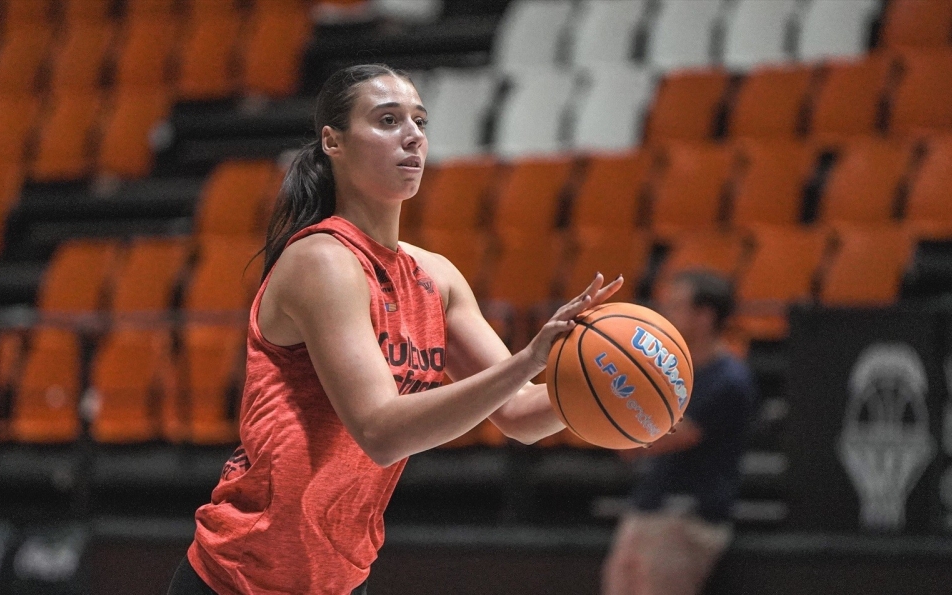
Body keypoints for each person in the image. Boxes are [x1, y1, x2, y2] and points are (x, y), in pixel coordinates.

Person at [167, 64, 623, 595]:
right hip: (240, 576)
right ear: (333, 142)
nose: (413, 136)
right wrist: (528, 359)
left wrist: (612, 391)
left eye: (420, 122)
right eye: (387, 120)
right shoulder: (322, 260)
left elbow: (519, 413)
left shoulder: (437, 277)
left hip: (339, 578)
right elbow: (381, 431)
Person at [602, 269, 758, 595]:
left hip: (687, 517)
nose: (666, 315)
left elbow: (656, 441)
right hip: (648, 506)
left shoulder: (729, 380)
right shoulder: (666, 373)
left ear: (704, 317)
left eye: (676, 306)